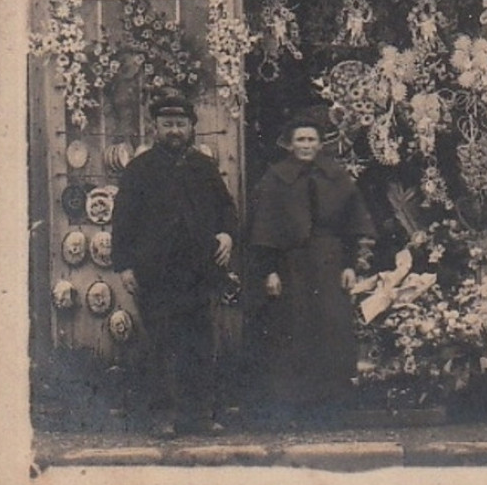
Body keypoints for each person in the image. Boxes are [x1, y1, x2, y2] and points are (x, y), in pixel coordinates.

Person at [112, 89, 237, 437]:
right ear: (154, 128)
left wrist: (226, 235)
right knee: (162, 345)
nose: (174, 131)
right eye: (167, 124)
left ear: (191, 128)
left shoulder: (203, 167)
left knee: (200, 344)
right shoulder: (140, 169)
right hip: (157, 274)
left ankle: (201, 415)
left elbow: (227, 207)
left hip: (199, 271)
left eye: (180, 124)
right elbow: (122, 220)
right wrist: (124, 266)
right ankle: (163, 416)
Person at [246, 109, 375, 425]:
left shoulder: (337, 177)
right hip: (291, 267)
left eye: (311, 140)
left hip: (330, 265)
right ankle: (293, 404)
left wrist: (350, 266)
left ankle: (331, 405)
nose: (305, 145)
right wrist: (270, 271)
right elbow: (263, 228)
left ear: (320, 144)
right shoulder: (275, 179)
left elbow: (353, 223)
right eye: (300, 140)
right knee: (293, 332)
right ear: (290, 145)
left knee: (331, 330)